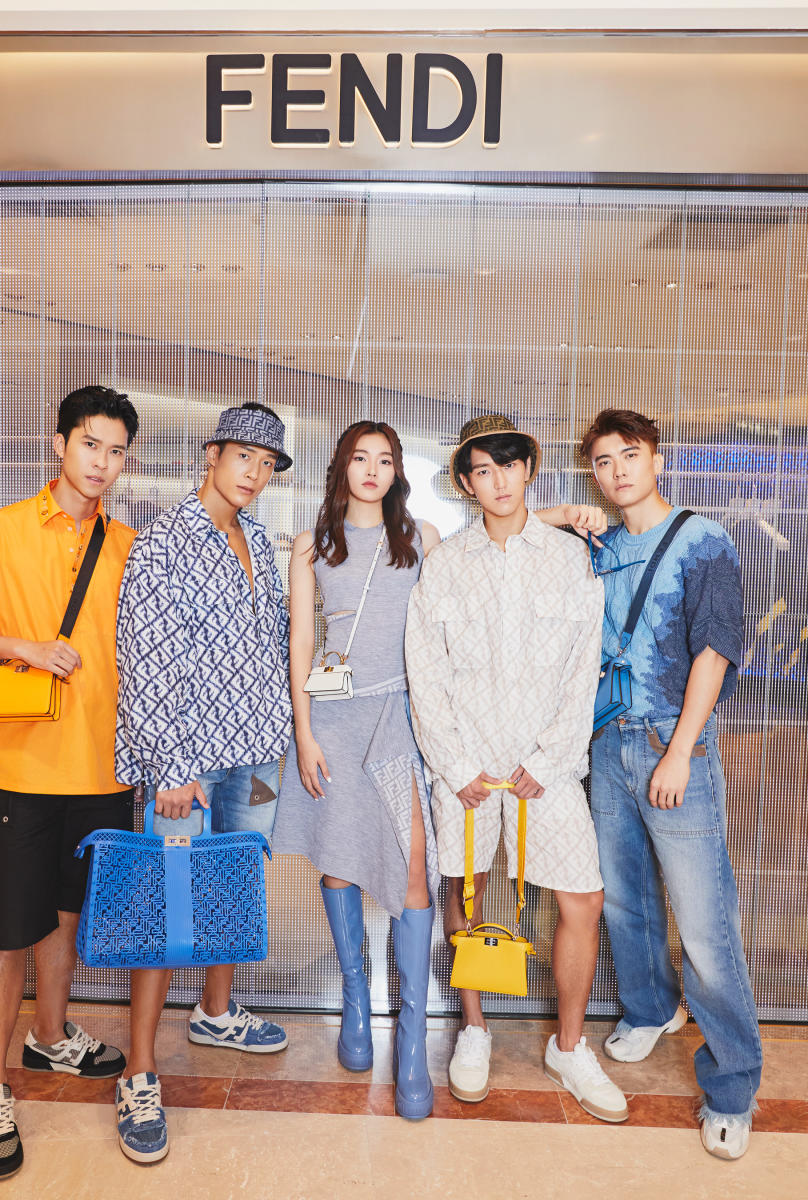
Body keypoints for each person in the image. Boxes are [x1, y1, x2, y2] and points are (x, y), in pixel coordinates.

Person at [0, 385, 139, 1181]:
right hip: (21, 769)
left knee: (66, 914)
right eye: (92, 445)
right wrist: (22, 646)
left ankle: (51, 1035)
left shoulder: (127, 543)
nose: (104, 464)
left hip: (105, 770)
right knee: (6, 932)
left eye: (118, 452)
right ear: (59, 444)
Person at [405, 413, 628, 1122]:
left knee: (581, 900)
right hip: (466, 765)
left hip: (547, 769)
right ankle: (473, 1029)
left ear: (529, 470)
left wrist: (550, 757)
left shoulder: (569, 559)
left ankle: (568, 1045)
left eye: (508, 465)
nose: (497, 481)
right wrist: (455, 762)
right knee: (465, 896)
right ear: (467, 484)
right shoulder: (445, 564)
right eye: (482, 470)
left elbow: (581, 669)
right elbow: (425, 671)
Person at [579, 408, 762, 1161]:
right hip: (603, 744)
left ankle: (731, 1085)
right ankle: (651, 1008)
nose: (618, 470)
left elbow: (716, 648)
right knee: (625, 897)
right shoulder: (599, 545)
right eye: (602, 461)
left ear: (657, 458)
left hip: (668, 742)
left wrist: (682, 750)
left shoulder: (701, 537)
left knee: (705, 919)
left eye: (631, 455)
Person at [114, 401, 293, 1163]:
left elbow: (273, 641)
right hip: (185, 762)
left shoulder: (257, 538)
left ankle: (216, 1011)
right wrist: (170, 769)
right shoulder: (161, 543)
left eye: (267, 463)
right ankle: (139, 1071)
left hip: (255, 755)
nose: (254, 473)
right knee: (164, 905)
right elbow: (145, 657)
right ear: (212, 453)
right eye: (244, 456)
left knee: (232, 887)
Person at [273, 421, 441, 1120]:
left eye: (386, 459)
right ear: (341, 468)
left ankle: (410, 1037)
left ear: (398, 470)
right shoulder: (314, 546)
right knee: (338, 862)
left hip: (401, 714)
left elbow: (493, 546)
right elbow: (302, 642)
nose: (372, 470)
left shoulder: (423, 538)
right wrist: (305, 735)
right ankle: (353, 996)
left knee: (412, 866)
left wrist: (552, 514)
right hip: (333, 724)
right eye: (359, 458)